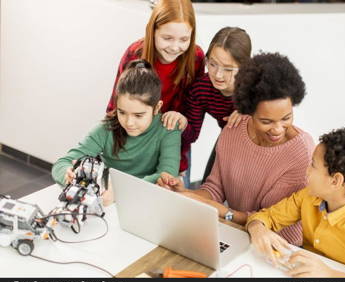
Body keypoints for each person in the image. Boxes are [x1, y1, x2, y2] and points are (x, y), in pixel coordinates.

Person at [158, 52, 314, 246]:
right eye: (266, 121)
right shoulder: (233, 130)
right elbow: (214, 189)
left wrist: (223, 212)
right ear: (248, 110)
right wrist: (186, 193)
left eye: (286, 118)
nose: (278, 129)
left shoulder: (301, 153)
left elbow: (269, 219)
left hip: (279, 244)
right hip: (236, 234)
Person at [247, 127, 345, 278]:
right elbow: (269, 216)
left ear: (336, 181)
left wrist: (329, 274)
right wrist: (257, 228)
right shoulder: (309, 196)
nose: (307, 170)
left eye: (313, 165)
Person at [106, 0, 205, 186]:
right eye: (167, 38)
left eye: (184, 40)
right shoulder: (135, 54)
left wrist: (182, 125)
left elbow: (192, 125)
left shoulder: (196, 59)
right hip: (134, 148)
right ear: (153, 31)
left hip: (174, 149)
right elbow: (114, 109)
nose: (175, 47)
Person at [52, 60, 181, 195]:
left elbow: (167, 175)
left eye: (138, 115)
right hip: (107, 195)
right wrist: (68, 175)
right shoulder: (106, 128)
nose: (129, 122)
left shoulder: (169, 128)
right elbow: (62, 163)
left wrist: (119, 191)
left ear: (157, 107)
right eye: (122, 112)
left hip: (146, 197)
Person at [181, 27, 252, 183]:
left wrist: (249, 111)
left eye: (228, 69)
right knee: (208, 182)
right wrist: (180, 122)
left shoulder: (256, 85)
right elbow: (192, 135)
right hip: (228, 137)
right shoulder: (201, 89)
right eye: (212, 64)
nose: (218, 75)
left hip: (260, 144)